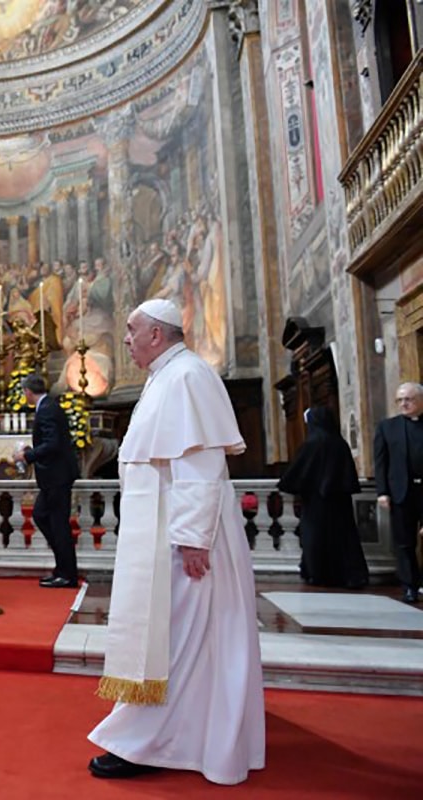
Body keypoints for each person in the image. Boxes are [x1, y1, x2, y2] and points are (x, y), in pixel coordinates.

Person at [87, 298, 264, 785]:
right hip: (171, 532)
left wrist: (191, 540)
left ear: (156, 335)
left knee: (177, 635)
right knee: (183, 635)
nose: (125, 339)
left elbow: (201, 466)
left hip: (184, 538)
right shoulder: (166, 377)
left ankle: (144, 741)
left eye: (131, 330)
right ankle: (188, 734)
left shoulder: (186, 377)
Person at [277, 405, 369, 589]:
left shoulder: (311, 444)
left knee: (315, 537)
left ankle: (318, 573)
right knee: (344, 538)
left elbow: (298, 473)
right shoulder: (340, 443)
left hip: (315, 502)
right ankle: (349, 575)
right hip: (339, 501)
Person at [20, 373, 80, 588]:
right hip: (54, 476)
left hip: (57, 476)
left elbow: (53, 443)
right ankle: (62, 568)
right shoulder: (48, 406)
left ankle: (67, 574)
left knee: (58, 524)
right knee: (41, 515)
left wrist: (27, 456)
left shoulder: (46, 409)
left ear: (28, 391)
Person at [373, 382, 423, 604]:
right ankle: (410, 586)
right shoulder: (387, 427)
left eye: (408, 399)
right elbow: (381, 462)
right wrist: (382, 491)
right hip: (401, 492)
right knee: (404, 542)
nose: (403, 403)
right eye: (400, 400)